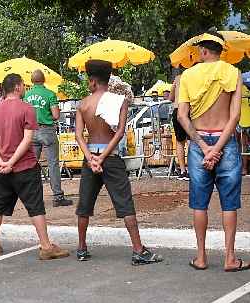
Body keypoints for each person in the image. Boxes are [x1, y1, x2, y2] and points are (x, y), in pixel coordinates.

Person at [75, 60, 163, 265]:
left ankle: (81, 248)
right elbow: (120, 132)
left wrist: (91, 158)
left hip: (91, 157)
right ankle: (138, 250)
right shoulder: (119, 101)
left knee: (85, 205)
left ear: (93, 81)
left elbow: (79, 135)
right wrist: (104, 156)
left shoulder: (83, 104)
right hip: (111, 156)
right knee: (125, 204)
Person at [177, 31, 249, 271]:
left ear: (204, 51)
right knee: (229, 204)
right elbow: (235, 116)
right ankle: (229, 258)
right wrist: (217, 147)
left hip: (200, 146)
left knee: (200, 204)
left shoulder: (188, 75)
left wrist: (205, 147)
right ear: (221, 51)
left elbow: (182, 117)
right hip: (225, 142)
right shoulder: (232, 73)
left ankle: (201, 257)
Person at [0, 73, 69, 261]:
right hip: (25, 166)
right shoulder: (27, 109)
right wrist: (12, 162)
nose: (25, 88)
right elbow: (27, 139)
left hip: (3, 169)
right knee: (36, 207)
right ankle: (46, 246)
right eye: (23, 85)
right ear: (16, 87)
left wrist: (1, 161)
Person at [24, 69, 73, 207]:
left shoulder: (26, 95)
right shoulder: (50, 94)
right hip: (47, 131)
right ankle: (58, 196)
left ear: (32, 81)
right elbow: (56, 115)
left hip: (31, 131)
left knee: (31, 164)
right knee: (53, 164)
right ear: (44, 79)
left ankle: (31, 196)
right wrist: (46, 117)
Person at [169, 71, 189, 180]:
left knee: (179, 141)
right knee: (192, 141)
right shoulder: (195, 75)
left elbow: (171, 97)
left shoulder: (177, 78)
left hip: (177, 110)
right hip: (190, 109)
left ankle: (182, 171)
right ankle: (192, 169)